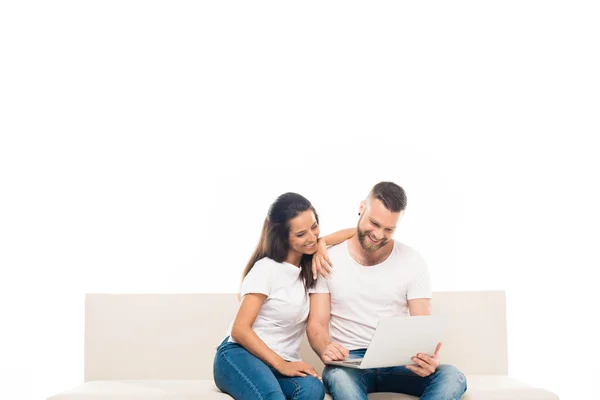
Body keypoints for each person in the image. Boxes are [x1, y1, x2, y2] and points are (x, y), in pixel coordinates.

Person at [307, 182, 468, 400]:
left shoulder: (412, 261)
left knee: (453, 376)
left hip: (399, 360)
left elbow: (423, 324)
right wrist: (325, 347)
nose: (378, 235)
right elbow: (317, 323)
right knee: (339, 379)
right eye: (374, 223)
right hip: (349, 363)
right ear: (362, 207)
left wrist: (426, 357)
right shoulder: (328, 260)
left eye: (389, 229)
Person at [213, 192, 355, 400]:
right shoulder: (266, 269)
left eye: (314, 227)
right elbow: (240, 329)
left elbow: (357, 233)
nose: (311, 237)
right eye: (300, 234)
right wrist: (281, 364)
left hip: (280, 363)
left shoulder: (310, 268)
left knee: (312, 390)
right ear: (283, 236)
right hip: (238, 354)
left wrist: (322, 243)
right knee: (273, 396)